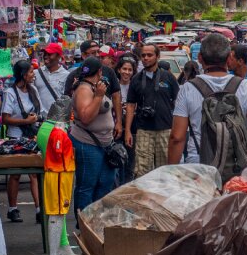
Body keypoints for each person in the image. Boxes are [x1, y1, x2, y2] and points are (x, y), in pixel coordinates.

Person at [168, 34, 247, 166]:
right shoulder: (246, 87)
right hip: (235, 167)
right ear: (229, 58)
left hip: (198, 165)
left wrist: (171, 172)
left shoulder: (187, 89)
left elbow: (177, 137)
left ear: (199, 58)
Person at [125, 45, 180, 178]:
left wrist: (178, 131)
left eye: (149, 55)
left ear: (157, 56)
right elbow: (131, 105)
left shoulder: (168, 77)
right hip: (144, 130)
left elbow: (178, 103)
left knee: (165, 170)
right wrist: (127, 131)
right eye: (143, 55)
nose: (146, 58)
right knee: (142, 171)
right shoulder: (136, 79)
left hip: (165, 129)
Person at [69, 57, 116, 212]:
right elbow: (86, 118)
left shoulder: (95, 86)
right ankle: (83, 224)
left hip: (104, 144)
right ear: (100, 72)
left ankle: (96, 222)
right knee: (87, 185)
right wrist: (98, 96)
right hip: (87, 143)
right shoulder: (84, 89)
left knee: (105, 183)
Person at [1, 60, 43, 224]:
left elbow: (41, 112)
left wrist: (35, 119)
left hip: (32, 136)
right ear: (24, 75)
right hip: (16, 137)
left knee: (34, 173)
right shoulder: (10, 93)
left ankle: (39, 209)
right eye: (31, 72)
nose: (34, 75)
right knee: (16, 174)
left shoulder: (33, 91)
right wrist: (25, 122)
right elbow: (5, 118)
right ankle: (12, 209)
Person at [66, 41, 122, 140]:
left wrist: (119, 122)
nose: (97, 56)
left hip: (106, 135)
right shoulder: (74, 75)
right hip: (85, 136)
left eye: (98, 52)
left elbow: (116, 96)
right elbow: (68, 102)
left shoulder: (109, 72)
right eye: (93, 53)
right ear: (83, 55)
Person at [114, 55, 137, 185]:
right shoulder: (114, 85)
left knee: (130, 162)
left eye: (130, 70)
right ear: (119, 69)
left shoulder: (136, 86)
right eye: (124, 69)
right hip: (116, 129)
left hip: (132, 129)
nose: (126, 72)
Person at [33, 43, 69, 114]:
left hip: (57, 118)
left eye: (49, 54)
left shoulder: (66, 75)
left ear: (58, 56)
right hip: (39, 118)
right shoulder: (35, 73)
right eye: (45, 54)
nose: (46, 57)